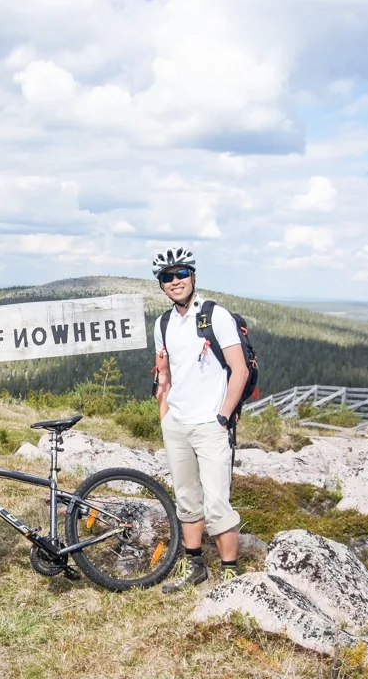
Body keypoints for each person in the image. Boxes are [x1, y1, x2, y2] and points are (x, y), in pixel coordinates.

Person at [150, 247, 249, 592]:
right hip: (176, 424)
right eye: (167, 277)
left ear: (193, 276)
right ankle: (195, 567)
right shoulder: (162, 323)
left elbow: (239, 369)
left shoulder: (215, 316)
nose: (175, 281)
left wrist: (222, 416)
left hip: (210, 425)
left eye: (181, 274)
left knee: (218, 502)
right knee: (188, 500)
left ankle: (231, 573)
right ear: (161, 285)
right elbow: (164, 374)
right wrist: (165, 416)